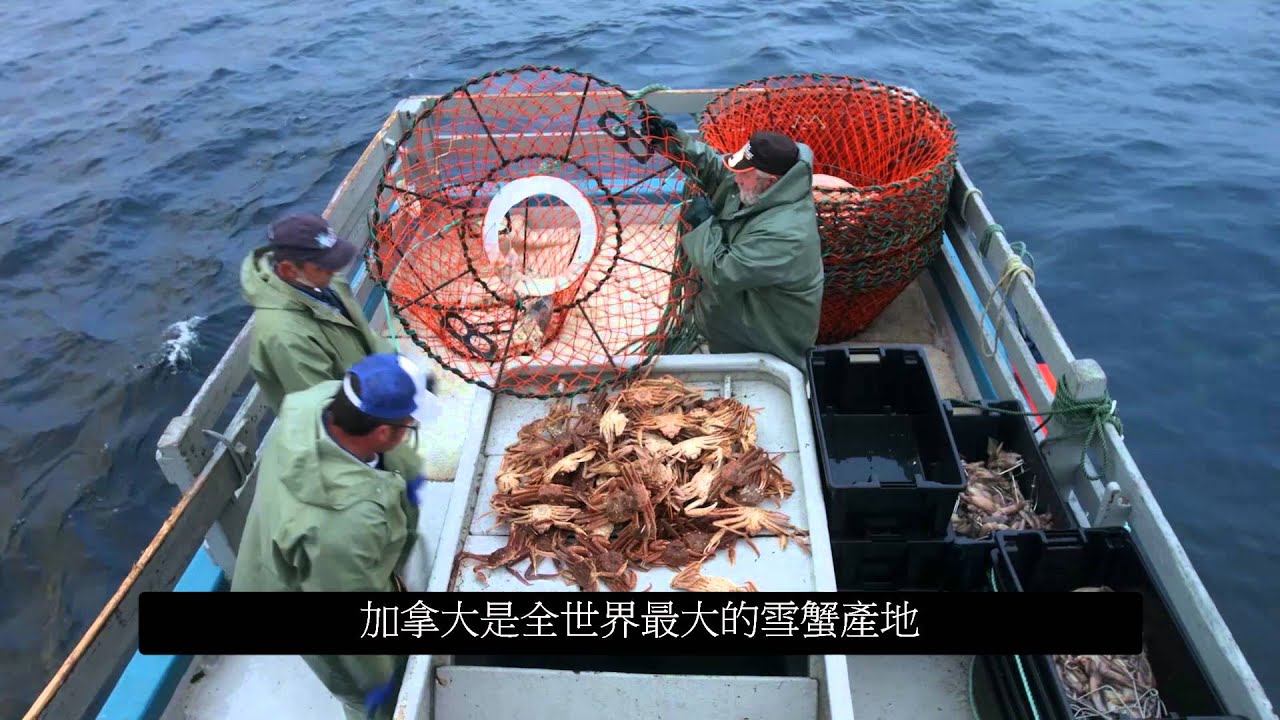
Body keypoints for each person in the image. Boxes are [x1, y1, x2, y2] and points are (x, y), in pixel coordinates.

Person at [230, 353, 441, 720]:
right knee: (366, 691)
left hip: (294, 550)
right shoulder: (343, 526)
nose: (409, 432)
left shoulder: (312, 401)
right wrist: (382, 681)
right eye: (408, 426)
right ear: (381, 433)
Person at [643, 110, 824, 371]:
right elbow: (717, 171)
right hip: (725, 320)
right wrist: (670, 140)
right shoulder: (763, 183)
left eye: (744, 174)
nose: (736, 178)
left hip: (763, 346)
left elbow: (722, 271)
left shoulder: (788, 234)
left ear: (770, 182)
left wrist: (704, 224)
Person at [241, 212, 395, 414]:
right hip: (350, 426)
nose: (335, 269)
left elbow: (363, 334)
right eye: (324, 265)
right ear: (288, 270)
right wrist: (392, 415)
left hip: (370, 391)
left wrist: (397, 369)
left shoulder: (326, 280)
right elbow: (328, 413)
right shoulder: (284, 337)